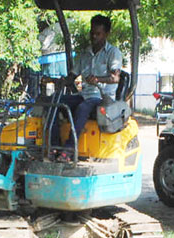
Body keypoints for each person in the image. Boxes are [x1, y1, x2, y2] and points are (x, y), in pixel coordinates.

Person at [46, 14, 122, 161]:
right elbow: (71, 77)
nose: (94, 37)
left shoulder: (113, 53)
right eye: (92, 33)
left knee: (83, 107)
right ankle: (54, 146)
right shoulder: (85, 54)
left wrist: (98, 79)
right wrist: (54, 80)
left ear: (106, 34)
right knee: (54, 101)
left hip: (102, 98)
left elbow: (115, 77)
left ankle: (68, 150)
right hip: (85, 95)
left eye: (98, 34)